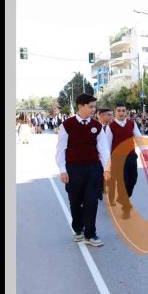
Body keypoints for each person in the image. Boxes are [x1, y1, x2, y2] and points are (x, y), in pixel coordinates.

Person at [55, 93, 111, 246]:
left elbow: (104, 150)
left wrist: (107, 169)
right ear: (80, 106)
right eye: (91, 107)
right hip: (73, 169)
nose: (94, 110)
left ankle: (90, 234)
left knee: (91, 201)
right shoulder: (67, 125)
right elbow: (61, 149)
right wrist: (62, 170)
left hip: (93, 169)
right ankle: (78, 229)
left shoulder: (97, 126)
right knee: (75, 201)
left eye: (94, 107)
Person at [107, 103, 145, 219]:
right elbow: (107, 145)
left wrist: (144, 151)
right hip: (118, 159)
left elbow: (138, 138)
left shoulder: (132, 124)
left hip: (131, 157)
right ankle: (126, 208)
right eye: (119, 111)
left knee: (133, 179)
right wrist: (107, 163)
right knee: (122, 182)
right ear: (115, 112)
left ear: (126, 112)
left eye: (123, 111)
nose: (121, 113)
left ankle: (122, 198)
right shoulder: (111, 127)